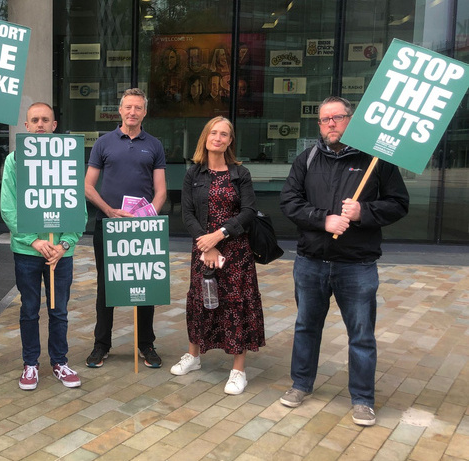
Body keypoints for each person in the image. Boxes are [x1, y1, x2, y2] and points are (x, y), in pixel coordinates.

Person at [279, 96, 409, 426]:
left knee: (361, 335)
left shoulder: (377, 161)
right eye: (325, 120)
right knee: (306, 327)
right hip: (311, 262)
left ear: (351, 119)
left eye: (338, 117)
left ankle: (363, 399)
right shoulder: (307, 159)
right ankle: (300, 385)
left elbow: (398, 203)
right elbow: (289, 202)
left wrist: (365, 212)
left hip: (357, 265)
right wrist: (323, 220)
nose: (331, 124)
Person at [170, 117, 264, 396]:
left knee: (237, 304)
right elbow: (187, 214)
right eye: (214, 132)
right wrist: (206, 245)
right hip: (203, 249)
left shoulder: (240, 173)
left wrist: (219, 235)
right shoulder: (193, 174)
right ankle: (194, 356)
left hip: (235, 251)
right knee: (200, 300)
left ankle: (238, 370)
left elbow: (248, 212)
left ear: (230, 140)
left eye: (225, 134)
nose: (219, 137)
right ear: (206, 137)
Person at [0, 102, 86, 390]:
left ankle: (60, 361)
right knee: (29, 309)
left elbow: (78, 207)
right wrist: (33, 241)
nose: (39, 124)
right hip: (28, 251)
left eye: (45, 119)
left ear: (54, 125)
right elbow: (8, 207)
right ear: (26, 127)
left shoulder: (70, 160)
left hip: (61, 252)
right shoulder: (14, 161)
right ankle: (30, 364)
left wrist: (64, 243)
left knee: (58, 309)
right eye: (34, 119)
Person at [84, 88, 167, 368]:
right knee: (106, 287)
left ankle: (146, 344)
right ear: (120, 110)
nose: (132, 112)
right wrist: (108, 211)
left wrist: (149, 216)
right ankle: (101, 344)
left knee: (145, 285)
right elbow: (88, 186)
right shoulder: (104, 143)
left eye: (138, 108)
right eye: (128, 107)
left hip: (143, 228)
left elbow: (161, 191)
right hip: (108, 226)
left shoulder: (154, 145)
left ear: (145, 112)